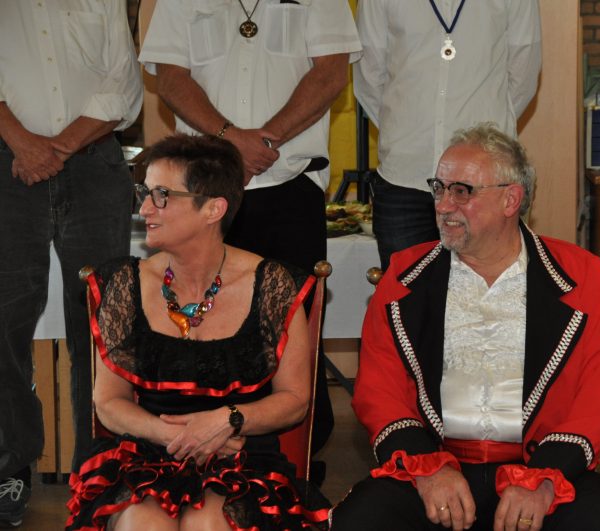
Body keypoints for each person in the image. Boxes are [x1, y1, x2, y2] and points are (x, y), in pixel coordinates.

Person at [332, 124, 600, 531]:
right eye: (438, 188)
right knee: (361, 521)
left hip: (542, 464)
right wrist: (428, 470)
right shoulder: (405, 277)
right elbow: (380, 389)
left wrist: (542, 480)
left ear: (510, 199)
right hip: (434, 462)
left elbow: (599, 398)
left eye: (461, 191)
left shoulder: (581, 275)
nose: (443, 206)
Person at [138, 0, 362, 470]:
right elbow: (171, 78)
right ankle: (195, 445)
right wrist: (229, 139)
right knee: (199, 323)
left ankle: (294, 460)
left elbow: (330, 74)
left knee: (291, 330)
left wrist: (264, 140)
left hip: (289, 182)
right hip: (202, 190)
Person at [65, 134, 329, 530]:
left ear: (213, 209)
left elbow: (294, 401)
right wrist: (177, 435)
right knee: (142, 521)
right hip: (146, 451)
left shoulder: (272, 285)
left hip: (241, 454)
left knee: (210, 520)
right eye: (145, 192)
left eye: (161, 195)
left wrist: (227, 420)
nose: (144, 208)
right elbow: (108, 402)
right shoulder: (125, 283)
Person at [0, 1, 142, 527]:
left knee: (104, 322)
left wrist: (56, 148)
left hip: (94, 161)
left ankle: (100, 466)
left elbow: (122, 83)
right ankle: (8, 464)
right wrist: (23, 141)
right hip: (5, 158)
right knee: (4, 320)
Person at [354, 0, 542, 270]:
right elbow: (368, 77)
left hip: (484, 183)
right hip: (404, 178)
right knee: (406, 292)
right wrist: (405, 128)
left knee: (486, 291)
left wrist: (484, 143)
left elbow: (524, 75)